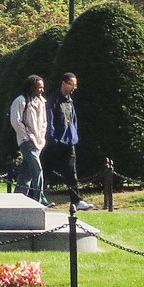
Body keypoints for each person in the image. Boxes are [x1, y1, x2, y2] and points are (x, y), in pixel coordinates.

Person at [46, 72, 94, 211]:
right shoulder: (53, 100)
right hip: (55, 142)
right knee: (46, 171)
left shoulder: (70, 100)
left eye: (75, 85)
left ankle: (77, 201)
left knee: (71, 173)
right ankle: (35, 197)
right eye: (72, 84)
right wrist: (52, 139)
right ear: (64, 83)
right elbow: (50, 121)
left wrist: (74, 136)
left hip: (69, 141)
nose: (74, 88)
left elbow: (73, 120)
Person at [7, 74, 48, 204]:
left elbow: (44, 122)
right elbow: (16, 121)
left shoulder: (41, 102)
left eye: (42, 87)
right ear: (32, 87)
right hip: (27, 142)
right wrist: (26, 137)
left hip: (39, 141)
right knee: (37, 169)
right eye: (39, 87)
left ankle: (18, 198)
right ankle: (40, 199)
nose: (42, 90)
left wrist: (41, 137)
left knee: (27, 172)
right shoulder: (20, 101)